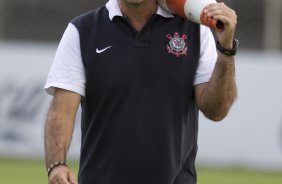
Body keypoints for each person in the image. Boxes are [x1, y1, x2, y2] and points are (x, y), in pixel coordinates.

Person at [44, 0, 237, 184]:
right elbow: (62, 110)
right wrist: (56, 164)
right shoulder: (82, 30)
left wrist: (226, 49)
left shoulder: (196, 29)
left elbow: (216, 110)